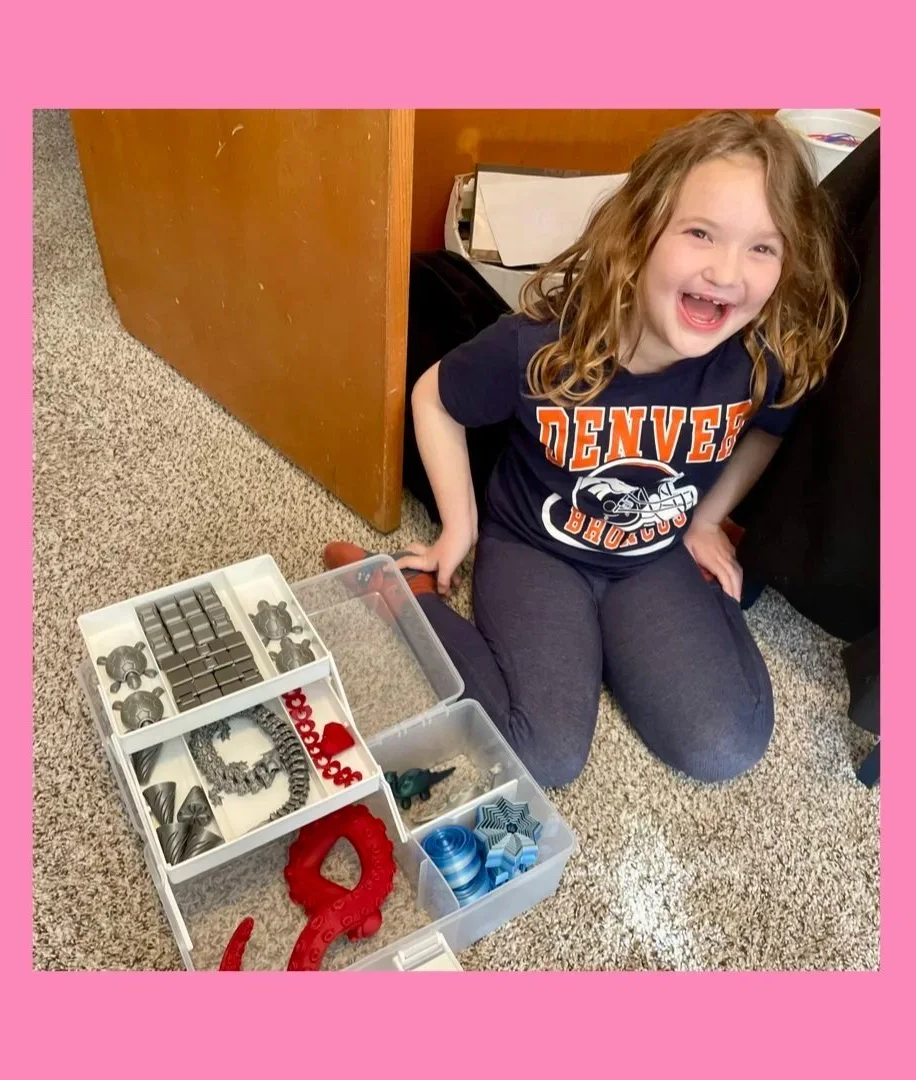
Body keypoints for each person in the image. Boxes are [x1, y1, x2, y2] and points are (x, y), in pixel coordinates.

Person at [327, 112, 847, 787]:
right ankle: (404, 596)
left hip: (651, 557)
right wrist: (461, 526)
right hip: (536, 550)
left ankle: (609, 641)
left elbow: (770, 429)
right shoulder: (543, 344)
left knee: (727, 744)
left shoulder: (764, 354)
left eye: (763, 248)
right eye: (700, 233)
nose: (727, 272)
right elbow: (434, 398)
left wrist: (708, 519)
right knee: (542, 756)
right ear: (640, 235)